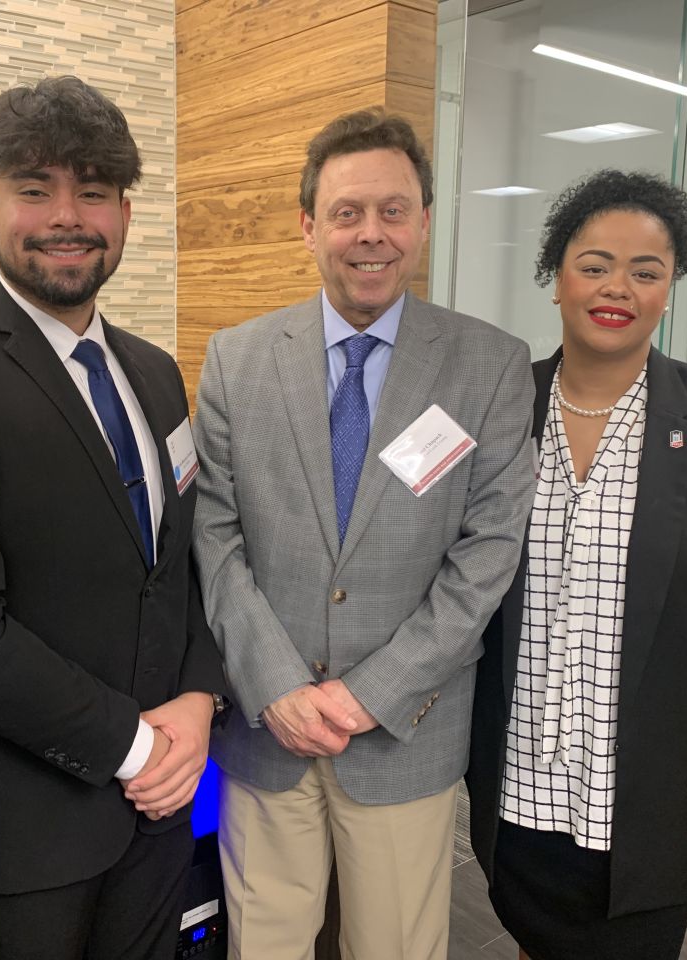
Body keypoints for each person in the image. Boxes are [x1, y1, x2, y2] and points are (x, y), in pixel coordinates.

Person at [0, 75, 226, 960]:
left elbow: (182, 563)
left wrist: (201, 699)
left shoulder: (151, 370)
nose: (68, 216)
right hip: (30, 834)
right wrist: (138, 749)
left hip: (162, 812)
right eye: (35, 190)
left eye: (93, 191)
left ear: (126, 214)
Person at [191, 108, 536, 960]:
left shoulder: (489, 365)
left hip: (403, 735)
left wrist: (369, 693)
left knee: (396, 948)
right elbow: (215, 537)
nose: (370, 234)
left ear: (422, 222)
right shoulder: (237, 358)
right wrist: (275, 685)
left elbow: (485, 558)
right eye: (347, 213)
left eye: (393, 211)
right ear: (310, 226)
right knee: (262, 945)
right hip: (266, 733)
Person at [464, 169, 687, 960]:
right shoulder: (500, 410)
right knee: (532, 939)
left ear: (669, 288)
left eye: (645, 271)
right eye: (593, 265)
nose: (616, 286)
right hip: (518, 777)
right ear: (557, 277)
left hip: (654, 790)